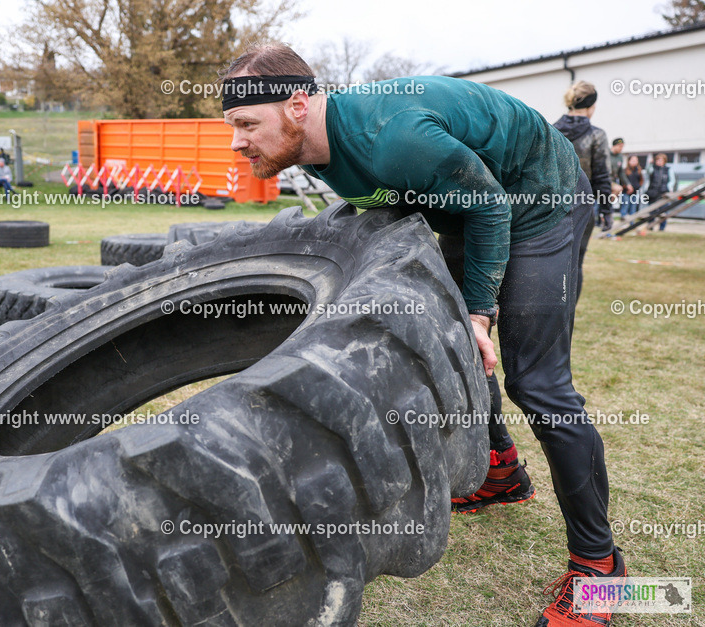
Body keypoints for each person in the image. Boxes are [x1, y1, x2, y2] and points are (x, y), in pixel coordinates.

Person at [220, 42, 621, 627]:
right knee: (454, 345)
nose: (236, 142)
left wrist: (480, 312)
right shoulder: (306, 146)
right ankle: (502, 471)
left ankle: (600, 568)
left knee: (537, 384)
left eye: (246, 124)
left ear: (297, 106)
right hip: (471, 207)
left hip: (538, 204)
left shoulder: (395, 138)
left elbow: (490, 208)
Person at [552, 82, 613, 234]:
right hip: (582, 207)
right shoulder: (596, 135)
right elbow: (602, 176)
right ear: (591, 106)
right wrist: (606, 210)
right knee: (578, 249)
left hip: (551, 208)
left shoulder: (551, 131)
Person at [644, 153, 674, 231]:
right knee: (652, 211)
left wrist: (669, 188)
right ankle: (650, 226)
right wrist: (649, 164)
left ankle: (662, 228)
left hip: (664, 193)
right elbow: (648, 171)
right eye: (658, 160)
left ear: (664, 161)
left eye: (661, 160)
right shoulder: (652, 168)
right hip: (653, 192)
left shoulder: (668, 169)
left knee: (663, 211)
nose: (659, 162)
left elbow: (672, 181)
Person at [618, 155, 644, 219]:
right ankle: (623, 220)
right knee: (625, 205)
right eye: (633, 160)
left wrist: (637, 187)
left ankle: (632, 222)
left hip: (635, 192)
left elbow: (641, 180)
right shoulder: (624, 171)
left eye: (636, 160)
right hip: (626, 192)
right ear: (629, 161)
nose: (634, 162)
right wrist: (627, 188)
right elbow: (622, 181)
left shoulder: (639, 171)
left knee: (633, 208)